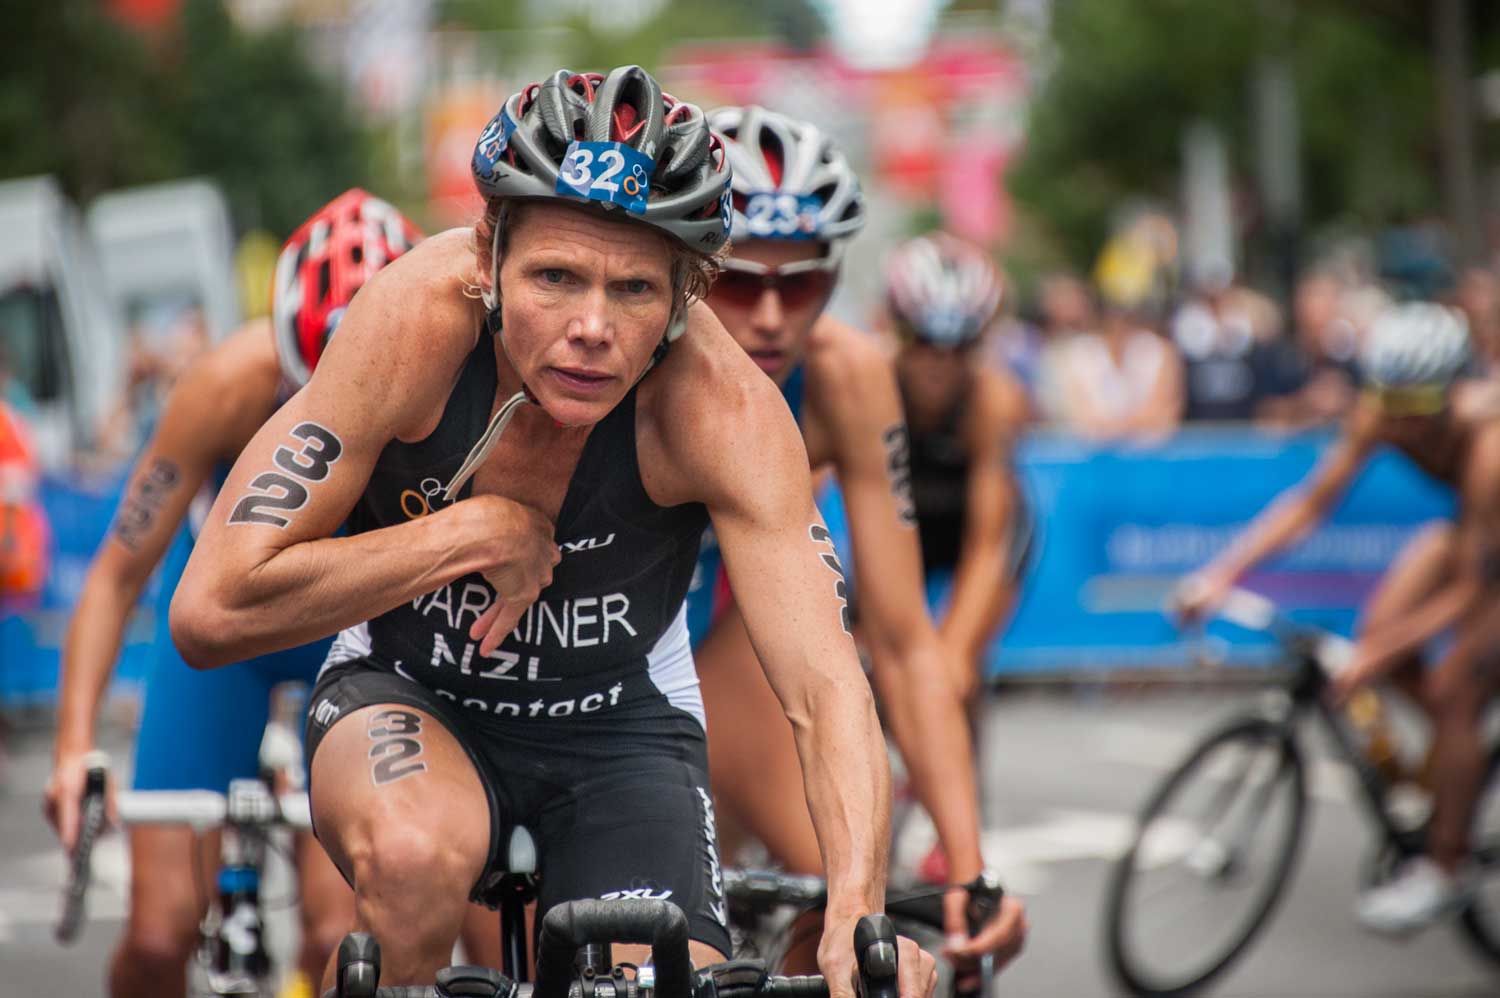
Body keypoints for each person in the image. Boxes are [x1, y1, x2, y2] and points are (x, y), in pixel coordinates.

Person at [169, 67, 937, 998]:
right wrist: (471, 533)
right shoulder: (411, 323)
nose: (592, 328)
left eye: (635, 290)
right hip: (411, 689)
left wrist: (858, 918)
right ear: (487, 256)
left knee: (657, 982)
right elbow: (211, 610)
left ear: (690, 292)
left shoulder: (725, 410)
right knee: (414, 860)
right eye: (555, 276)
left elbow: (827, 685)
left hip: (618, 727)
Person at [42, 189, 430, 998]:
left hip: (347, 641)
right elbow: (118, 574)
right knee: (158, 936)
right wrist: (74, 748)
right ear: (286, 351)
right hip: (222, 642)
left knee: (336, 935)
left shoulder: (446, 376)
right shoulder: (225, 385)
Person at [690, 105, 1026, 982]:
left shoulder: (846, 375)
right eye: (738, 281)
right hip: (586, 646)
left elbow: (906, 641)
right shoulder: (620, 352)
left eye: (799, 284)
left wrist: (971, 865)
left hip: (722, 637)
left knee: (848, 903)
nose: (769, 315)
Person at [1176, 302, 1500, 934]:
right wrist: (1222, 574)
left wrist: (1372, 661)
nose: (1403, 421)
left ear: (1452, 392)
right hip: (1470, 535)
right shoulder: (1382, 412)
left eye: (1420, 405)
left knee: (1459, 687)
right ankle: (1455, 767)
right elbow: (1310, 505)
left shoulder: (1489, 449)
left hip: (1486, 560)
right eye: (1392, 401)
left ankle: (1445, 864)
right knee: (1379, 633)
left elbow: (1471, 593)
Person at [883, 233, 1032, 708]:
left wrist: (955, 652)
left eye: (959, 345)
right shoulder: (869, 385)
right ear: (899, 332)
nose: (939, 364)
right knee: (873, 655)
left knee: (953, 669)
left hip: (983, 529)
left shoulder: (994, 400)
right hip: (906, 528)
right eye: (924, 341)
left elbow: (987, 547)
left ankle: (961, 769)